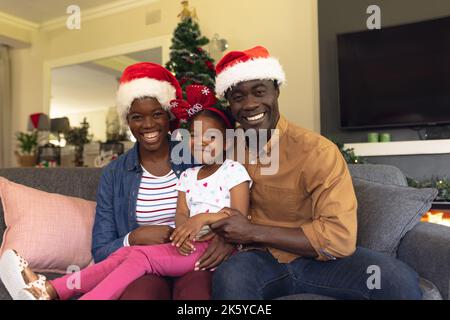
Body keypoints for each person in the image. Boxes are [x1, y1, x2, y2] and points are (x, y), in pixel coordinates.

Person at [209, 46, 423, 300]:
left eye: (259, 92)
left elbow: (339, 238)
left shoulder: (316, 151)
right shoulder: (226, 151)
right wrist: (225, 235)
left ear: (276, 91)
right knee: (231, 278)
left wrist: (252, 231)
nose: (250, 104)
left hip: (320, 262)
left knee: (398, 280)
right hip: (258, 261)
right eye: (238, 97)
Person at [0, 84, 251, 300]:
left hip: (202, 254)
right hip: (176, 249)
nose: (148, 124)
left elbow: (238, 218)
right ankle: (49, 289)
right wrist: (137, 236)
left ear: (169, 118)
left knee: (184, 286)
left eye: (156, 114)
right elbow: (180, 215)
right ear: (128, 121)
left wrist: (206, 223)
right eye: (137, 117)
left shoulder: (209, 164)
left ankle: (53, 290)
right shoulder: (170, 175)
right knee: (133, 258)